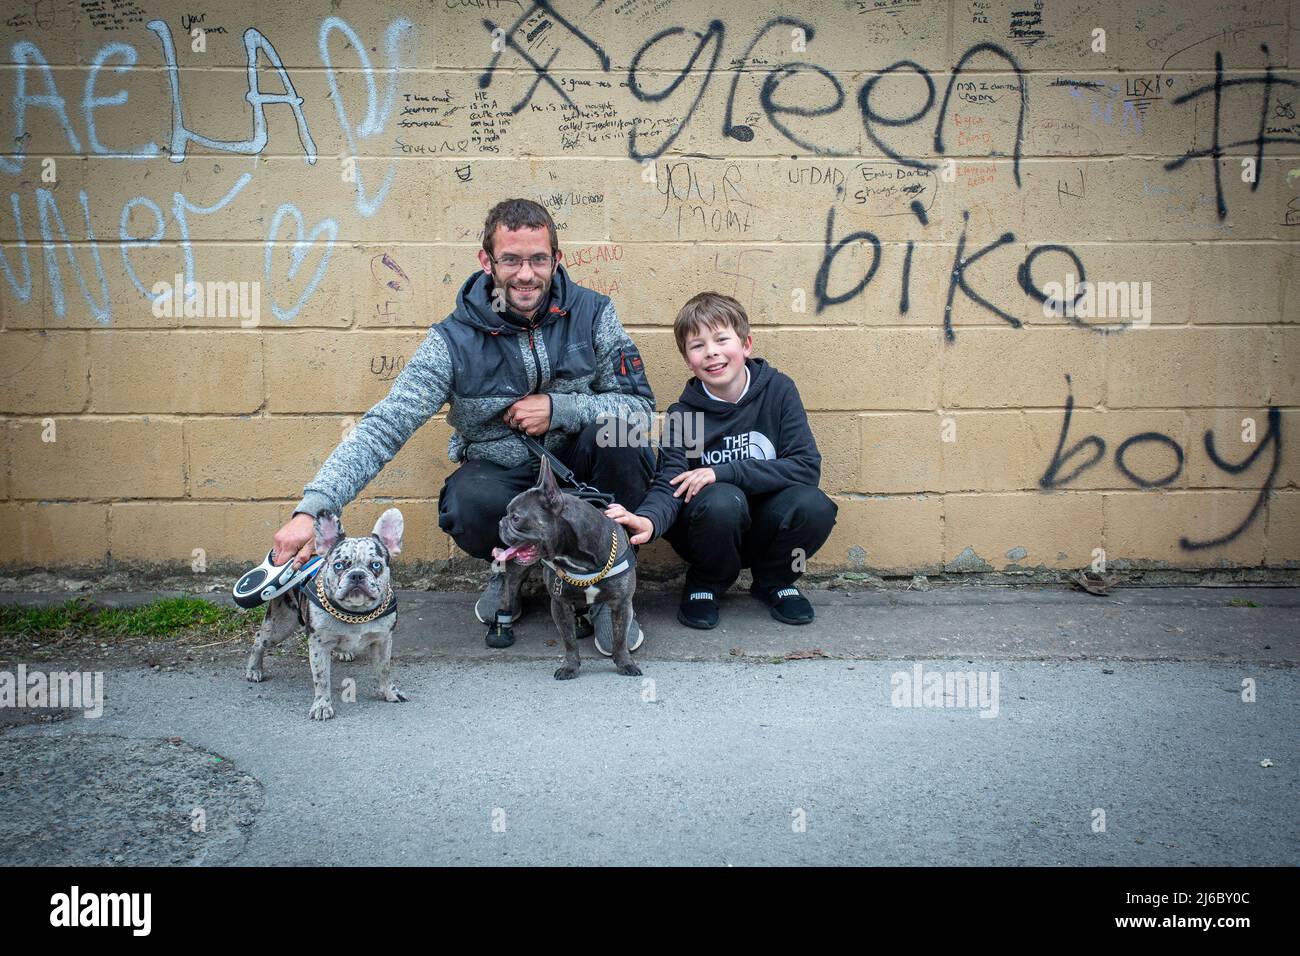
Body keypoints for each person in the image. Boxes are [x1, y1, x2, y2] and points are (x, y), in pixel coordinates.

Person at [270, 199, 656, 652]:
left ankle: (605, 586)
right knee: (466, 502)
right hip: (503, 471)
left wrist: (560, 408)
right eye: (510, 260)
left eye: (538, 259)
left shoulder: (594, 314)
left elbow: (640, 409)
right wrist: (312, 510)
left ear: (556, 258)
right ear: (487, 261)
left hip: (579, 471)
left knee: (622, 440)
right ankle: (509, 565)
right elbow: (385, 425)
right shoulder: (451, 340)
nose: (526, 274)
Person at [605, 292, 837, 629]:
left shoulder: (779, 391)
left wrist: (722, 471)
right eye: (697, 345)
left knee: (815, 505)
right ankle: (706, 582)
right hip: (710, 530)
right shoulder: (685, 415)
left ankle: (774, 581)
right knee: (721, 500)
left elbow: (805, 467)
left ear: (745, 345)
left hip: (764, 527)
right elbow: (668, 482)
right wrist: (649, 521)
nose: (711, 351)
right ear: (688, 360)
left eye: (721, 339)